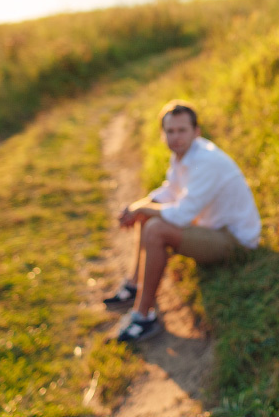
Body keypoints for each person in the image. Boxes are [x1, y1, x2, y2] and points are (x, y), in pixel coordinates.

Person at [104, 100, 261, 342]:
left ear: (196, 132)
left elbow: (181, 215)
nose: (176, 137)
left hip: (234, 241)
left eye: (182, 130)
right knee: (149, 214)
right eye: (170, 131)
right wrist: (138, 207)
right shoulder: (183, 155)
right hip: (211, 229)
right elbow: (170, 190)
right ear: (163, 134)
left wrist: (142, 208)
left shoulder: (206, 161)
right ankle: (135, 285)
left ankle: (143, 317)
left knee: (155, 228)